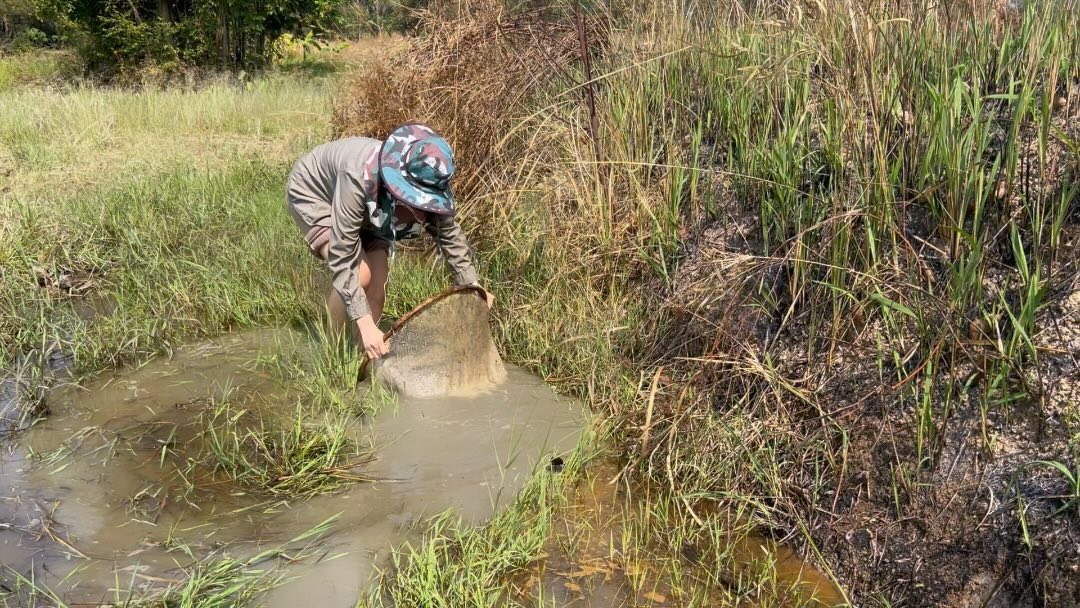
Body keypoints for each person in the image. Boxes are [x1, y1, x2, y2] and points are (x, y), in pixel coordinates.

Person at [285, 123, 493, 361]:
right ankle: (334, 353)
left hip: (374, 209)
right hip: (317, 193)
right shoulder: (358, 174)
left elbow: (448, 233)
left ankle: (364, 354)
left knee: (379, 282)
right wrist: (364, 323)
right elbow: (343, 255)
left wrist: (473, 286)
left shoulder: (431, 178)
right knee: (361, 274)